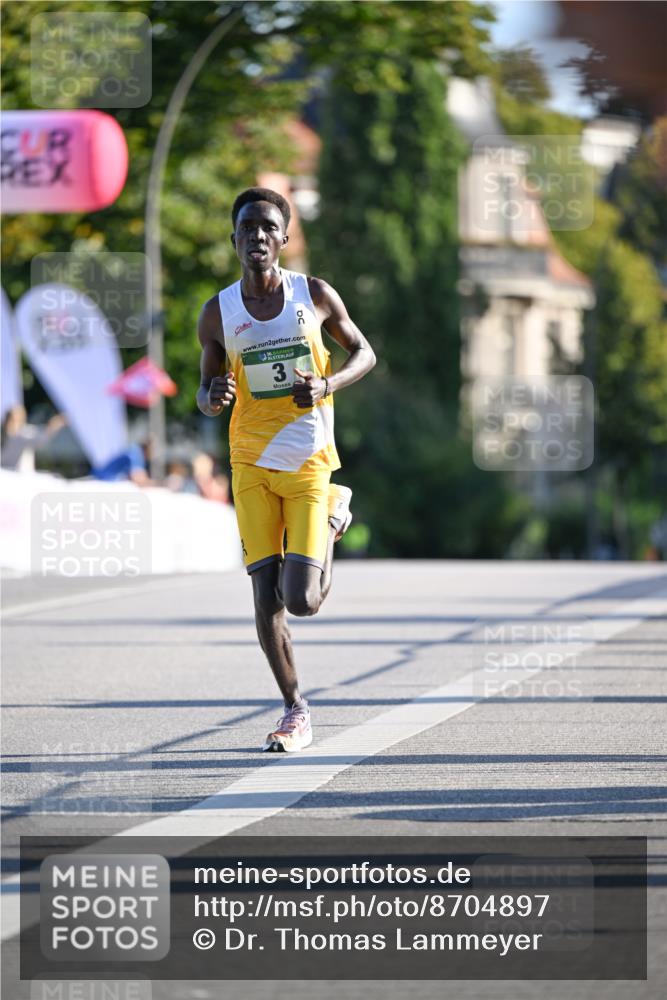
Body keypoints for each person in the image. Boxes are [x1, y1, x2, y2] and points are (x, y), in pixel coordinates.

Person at [196, 187, 375, 752]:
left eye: (268, 228)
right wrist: (213, 394)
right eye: (247, 228)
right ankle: (295, 709)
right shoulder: (217, 312)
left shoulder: (314, 294)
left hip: (307, 461)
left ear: (284, 240)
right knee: (265, 598)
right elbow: (205, 390)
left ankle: (331, 512)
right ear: (235, 240)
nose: (257, 237)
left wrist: (327, 383)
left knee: (303, 600)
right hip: (249, 462)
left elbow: (364, 353)